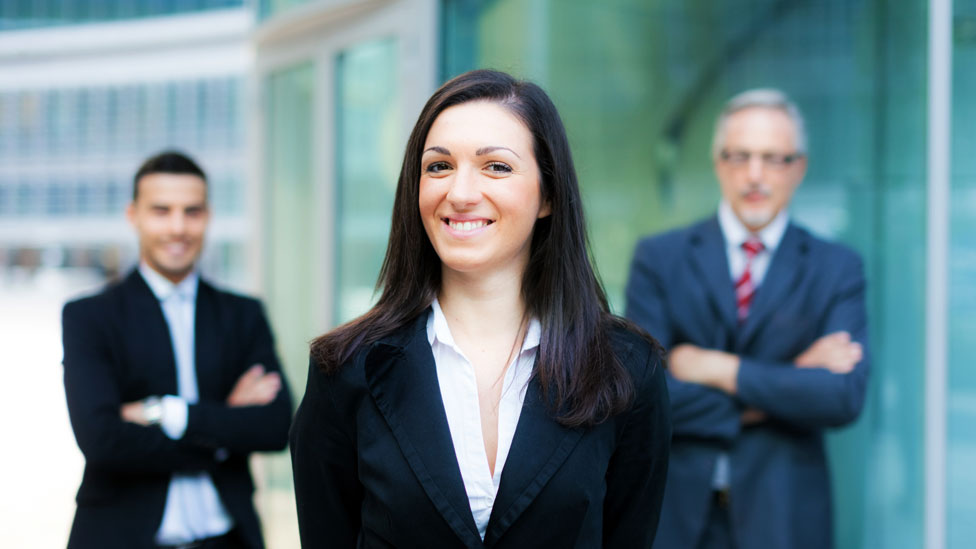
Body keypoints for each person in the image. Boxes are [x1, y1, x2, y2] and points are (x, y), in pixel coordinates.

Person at [290, 69, 671, 548]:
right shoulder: (345, 368)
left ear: (548, 195)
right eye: (439, 166)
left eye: (496, 167)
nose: (461, 193)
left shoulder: (625, 367)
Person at [625, 88, 870, 549]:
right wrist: (791, 378)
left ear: (799, 167)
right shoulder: (660, 259)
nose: (754, 175)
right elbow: (643, 398)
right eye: (740, 157)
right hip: (675, 518)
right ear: (718, 162)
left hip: (785, 519)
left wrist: (718, 369)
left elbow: (841, 396)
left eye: (773, 159)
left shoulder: (836, 267)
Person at [61, 151, 293, 549]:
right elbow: (101, 440)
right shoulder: (90, 316)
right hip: (121, 539)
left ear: (208, 216)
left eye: (192, 212)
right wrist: (224, 429)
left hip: (230, 540)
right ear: (133, 216)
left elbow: (275, 425)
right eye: (161, 211)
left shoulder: (243, 314)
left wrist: (166, 413)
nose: (178, 227)